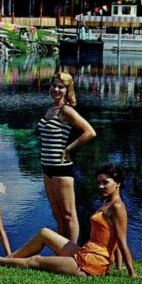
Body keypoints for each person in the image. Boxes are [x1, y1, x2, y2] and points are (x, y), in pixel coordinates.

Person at [0, 163, 139, 278]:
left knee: (36, 261)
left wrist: (132, 273)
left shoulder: (118, 207)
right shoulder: (107, 202)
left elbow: (121, 241)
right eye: (99, 183)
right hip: (86, 252)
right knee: (44, 233)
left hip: (93, 265)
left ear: (117, 183)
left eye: (105, 183)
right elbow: (113, 237)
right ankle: (9, 260)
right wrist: (117, 266)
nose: (101, 186)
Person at [38, 72, 96, 243]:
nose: (56, 89)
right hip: (46, 167)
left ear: (67, 90)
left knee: (69, 215)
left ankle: (71, 254)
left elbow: (90, 132)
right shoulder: (50, 109)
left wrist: (68, 149)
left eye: (60, 87)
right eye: (54, 85)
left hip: (61, 168)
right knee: (57, 215)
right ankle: (61, 251)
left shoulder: (67, 110)